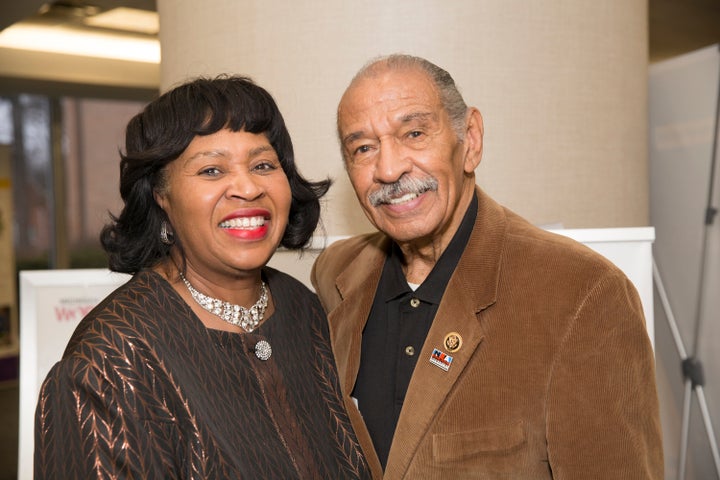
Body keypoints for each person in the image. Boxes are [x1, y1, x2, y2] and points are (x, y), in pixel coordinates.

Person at [311, 54, 663, 479]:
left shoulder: (583, 296)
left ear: (471, 139)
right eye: (363, 148)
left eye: (415, 133)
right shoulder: (337, 273)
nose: (388, 168)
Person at [34, 75, 373, 479]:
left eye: (263, 164)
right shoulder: (108, 361)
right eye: (212, 170)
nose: (248, 188)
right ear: (161, 197)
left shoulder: (305, 308)